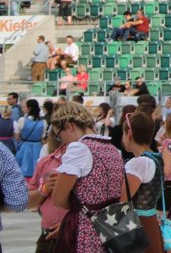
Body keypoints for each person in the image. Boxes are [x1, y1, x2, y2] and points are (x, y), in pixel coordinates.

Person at [46, 100, 125, 253]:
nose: (61, 142)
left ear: (70, 126)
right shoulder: (112, 149)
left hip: (87, 228)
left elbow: (58, 198)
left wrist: (78, 206)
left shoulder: (78, 149)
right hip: (113, 226)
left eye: (59, 136)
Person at [122, 111, 165, 253]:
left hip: (138, 226)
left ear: (129, 134)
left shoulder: (139, 163)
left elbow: (122, 199)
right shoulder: (156, 157)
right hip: (151, 222)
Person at [28, 125, 66, 253]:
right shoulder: (46, 161)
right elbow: (28, 201)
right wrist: (44, 189)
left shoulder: (90, 162)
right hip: (48, 234)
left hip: (77, 235)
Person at [15, 98, 46, 178]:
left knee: (22, 169)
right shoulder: (43, 122)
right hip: (37, 146)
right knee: (36, 170)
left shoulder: (22, 120)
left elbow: (17, 136)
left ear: (29, 108)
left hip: (24, 147)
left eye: (25, 107)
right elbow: (43, 137)